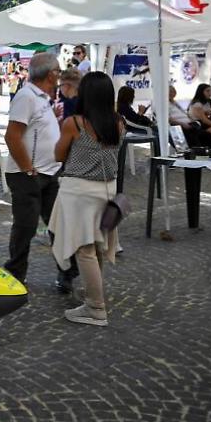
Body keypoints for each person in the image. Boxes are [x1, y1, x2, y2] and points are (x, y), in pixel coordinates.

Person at [50, 72, 123, 326]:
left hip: (79, 192)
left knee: (84, 250)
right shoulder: (119, 122)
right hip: (107, 190)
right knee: (97, 245)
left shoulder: (74, 123)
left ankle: (96, 308)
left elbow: (58, 155)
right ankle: (95, 295)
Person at [2, 53, 71, 289]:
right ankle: (15, 273)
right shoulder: (26, 96)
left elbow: (37, 130)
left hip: (48, 173)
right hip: (28, 175)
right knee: (26, 227)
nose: (60, 75)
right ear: (51, 74)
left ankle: (67, 272)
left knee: (57, 225)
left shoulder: (41, 97)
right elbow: (12, 136)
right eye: (59, 71)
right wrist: (28, 169)